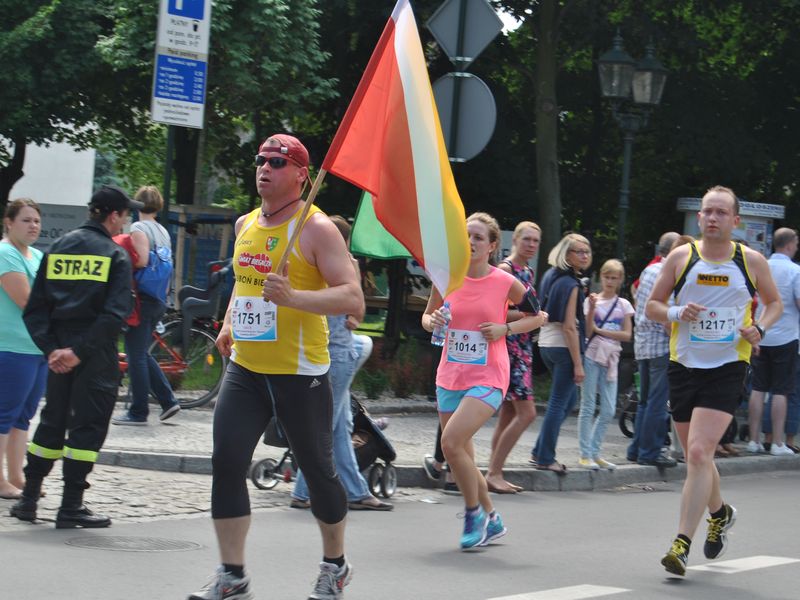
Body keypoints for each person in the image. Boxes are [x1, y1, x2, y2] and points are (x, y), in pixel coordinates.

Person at [188, 134, 363, 600]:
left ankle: (335, 565)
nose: (265, 168)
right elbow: (245, 285)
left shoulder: (317, 228)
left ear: (301, 174)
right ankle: (232, 575)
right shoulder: (247, 221)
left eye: (277, 162)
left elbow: (353, 298)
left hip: (300, 374)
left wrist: (295, 298)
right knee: (226, 463)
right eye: (261, 160)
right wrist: (228, 322)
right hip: (246, 369)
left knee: (319, 472)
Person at [647, 185, 781, 576]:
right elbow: (654, 306)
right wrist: (676, 312)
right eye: (708, 211)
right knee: (695, 455)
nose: (713, 218)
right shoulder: (681, 257)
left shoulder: (750, 260)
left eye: (722, 212)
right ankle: (720, 513)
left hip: (727, 365)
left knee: (701, 453)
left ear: (735, 221)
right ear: (699, 217)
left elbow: (775, 304)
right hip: (684, 364)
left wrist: (760, 327)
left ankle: (681, 544)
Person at [10, 185, 139, 528]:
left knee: (51, 421)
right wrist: (78, 352)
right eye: (125, 216)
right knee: (88, 426)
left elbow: (35, 309)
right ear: (113, 216)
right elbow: (114, 315)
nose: (125, 223)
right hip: (93, 353)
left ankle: (28, 499)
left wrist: (53, 350)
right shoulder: (115, 255)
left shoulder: (58, 248)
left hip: (58, 352)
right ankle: (71, 506)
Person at [422, 212, 546, 549]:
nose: (471, 242)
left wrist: (506, 328)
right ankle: (493, 519)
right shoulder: (445, 278)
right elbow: (427, 316)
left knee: (450, 445)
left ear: (492, 246)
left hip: (489, 376)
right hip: (450, 374)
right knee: (460, 452)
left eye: (478, 237)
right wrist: (431, 320)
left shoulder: (504, 282)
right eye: (466, 236)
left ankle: (473, 512)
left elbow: (539, 315)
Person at [290, 215, 392, 511]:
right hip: (335, 354)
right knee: (327, 426)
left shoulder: (320, 260)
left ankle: (355, 491)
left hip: (327, 351)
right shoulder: (341, 262)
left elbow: (356, 305)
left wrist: (356, 316)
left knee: (339, 425)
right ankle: (303, 491)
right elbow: (356, 304)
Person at [112, 186, 180, 426]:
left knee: (135, 355)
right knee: (140, 352)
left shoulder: (138, 228)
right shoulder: (162, 230)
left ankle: (138, 411)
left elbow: (140, 260)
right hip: (158, 297)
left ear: (137, 205)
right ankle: (168, 401)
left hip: (143, 298)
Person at [485, 221, 541, 493]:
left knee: (508, 413)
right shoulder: (506, 271)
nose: (531, 245)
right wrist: (531, 317)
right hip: (510, 347)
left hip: (522, 347)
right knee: (527, 413)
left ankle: (495, 471)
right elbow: (496, 313)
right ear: (515, 240)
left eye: (535, 241)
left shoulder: (527, 271)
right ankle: (493, 472)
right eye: (527, 239)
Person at [531, 233, 592, 475]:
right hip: (564, 347)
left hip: (546, 344)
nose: (585, 255)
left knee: (569, 401)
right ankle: (545, 457)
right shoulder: (572, 284)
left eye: (587, 251)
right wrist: (578, 364)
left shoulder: (550, 276)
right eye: (579, 251)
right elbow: (569, 326)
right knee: (558, 402)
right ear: (567, 255)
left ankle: (539, 450)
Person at [0, 199, 46, 500]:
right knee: (4, 415)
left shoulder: (39, 255)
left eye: (36, 221)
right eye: (26, 220)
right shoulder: (6, 254)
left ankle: (17, 476)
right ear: (9, 223)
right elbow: (26, 300)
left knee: (23, 416)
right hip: (12, 346)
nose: (33, 226)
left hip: (37, 347)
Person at [626, 232, 681, 467]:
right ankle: (651, 451)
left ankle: (636, 448)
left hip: (643, 344)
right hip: (660, 344)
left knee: (645, 400)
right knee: (658, 401)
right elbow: (665, 316)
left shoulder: (649, 271)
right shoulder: (667, 274)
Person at [746, 227, 800, 456]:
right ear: (789, 244)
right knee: (781, 390)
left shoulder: (761, 266)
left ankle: (753, 440)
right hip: (786, 336)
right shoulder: (795, 271)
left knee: (758, 388)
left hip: (761, 333)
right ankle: (778, 443)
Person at [577, 259, 633, 470]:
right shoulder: (591, 301)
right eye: (607, 277)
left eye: (614, 277)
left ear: (620, 280)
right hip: (592, 355)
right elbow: (588, 332)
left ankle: (594, 451)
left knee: (609, 409)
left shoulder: (624, 304)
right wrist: (591, 310)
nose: (610, 281)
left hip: (611, 358)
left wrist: (602, 331)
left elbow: (627, 335)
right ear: (601, 277)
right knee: (588, 405)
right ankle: (585, 454)